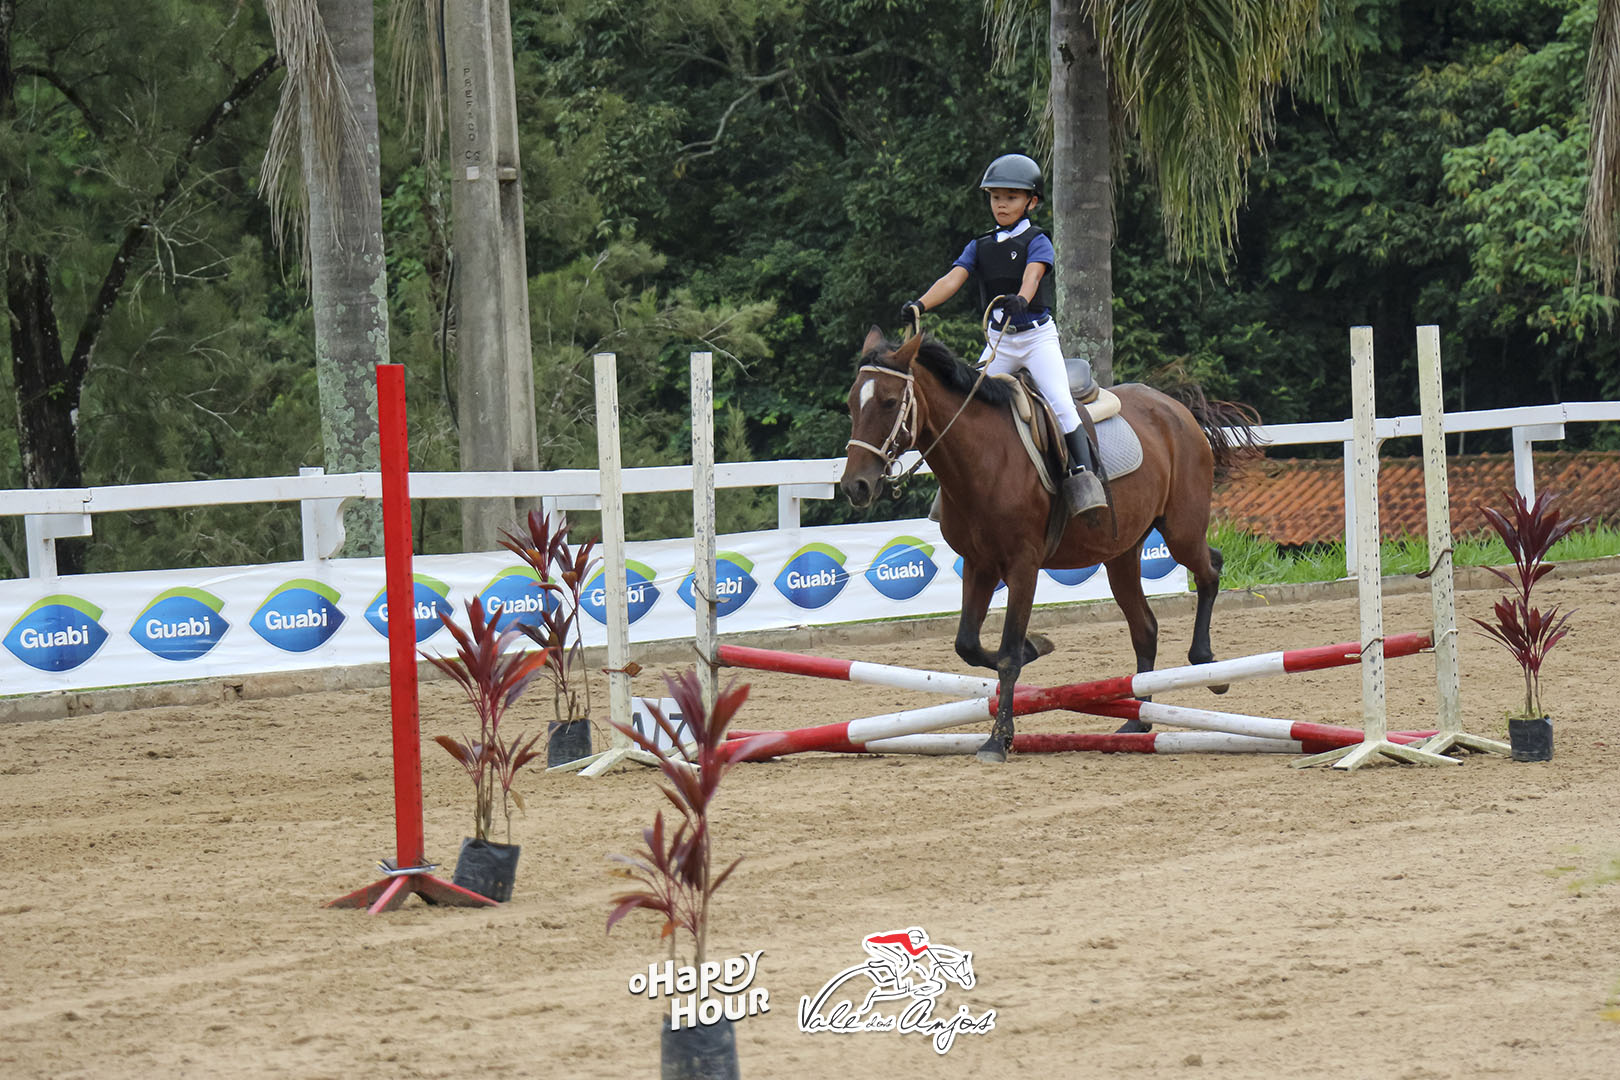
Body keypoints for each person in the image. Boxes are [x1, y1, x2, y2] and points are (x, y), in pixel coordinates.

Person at [899, 153, 1107, 517]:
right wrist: (920, 304)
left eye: (1011, 197)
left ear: (1031, 202)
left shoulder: (1037, 240)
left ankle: (1086, 479)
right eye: (996, 197)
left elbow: (1033, 275)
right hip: (1000, 343)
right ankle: (955, 488)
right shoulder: (980, 245)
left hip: (1036, 340)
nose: (1001, 204)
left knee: (1061, 403)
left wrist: (1022, 299)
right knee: (966, 403)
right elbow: (953, 279)